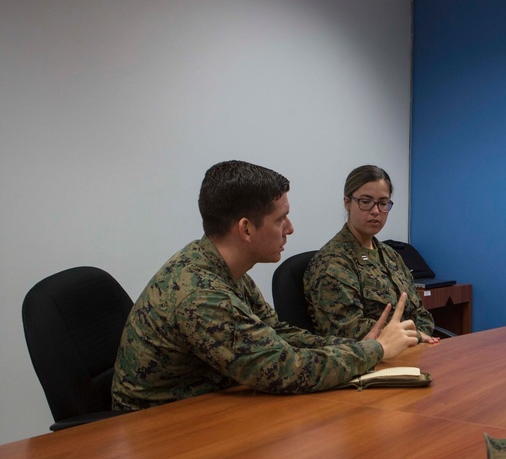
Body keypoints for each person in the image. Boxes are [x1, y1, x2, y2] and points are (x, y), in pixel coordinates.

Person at [111, 160, 419, 411]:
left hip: (207, 409)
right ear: (245, 229)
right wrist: (375, 350)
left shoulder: (226, 270)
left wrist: (354, 347)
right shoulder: (202, 295)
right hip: (157, 432)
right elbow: (286, 368)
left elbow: (278, 334)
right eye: (280, 219)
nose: (290, 228)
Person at [304, 165, 438, 343]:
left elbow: (421, 314)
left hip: (410, 351)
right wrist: (415, 336)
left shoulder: (391, 255)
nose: (376, 211)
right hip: (368, 361)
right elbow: (348, 329)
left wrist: (418, 336)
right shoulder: (333, 262)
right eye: (366, 202)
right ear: (347, 202)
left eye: (383, 203)